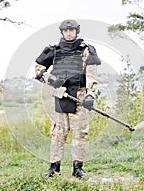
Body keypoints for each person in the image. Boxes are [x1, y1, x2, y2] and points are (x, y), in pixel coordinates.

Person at [34, 19, 101, 178]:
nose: (69, 33)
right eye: (66, 30)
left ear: (76, 31)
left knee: (80, 133)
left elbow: (92, 74)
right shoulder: (53, 50)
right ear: (62, 32)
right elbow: (38, 68)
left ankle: (78, 168)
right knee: (58, 132)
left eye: (71, 30)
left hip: (80, 95)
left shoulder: (87, 50)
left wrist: (90, 94)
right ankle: (54, 168)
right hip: (59, 95)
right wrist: (50, 79)